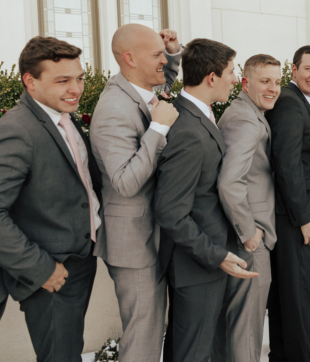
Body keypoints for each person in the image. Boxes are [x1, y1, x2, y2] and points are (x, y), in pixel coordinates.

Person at [153, 38, 258, 362]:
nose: (233, 79)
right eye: (229, 72)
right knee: (193, 353)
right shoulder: (187, 129)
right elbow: (170, 211)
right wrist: (216, 256)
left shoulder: (197, 115)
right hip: (195, 265)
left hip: (206, 259)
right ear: (211, 77)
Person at [0, 36, 102, 361]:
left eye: (80, 78)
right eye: (63, 81)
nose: (76, 88)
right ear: (30, 81)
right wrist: (41, 269)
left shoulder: (64, 118)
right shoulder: (17, 128)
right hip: (51, 271)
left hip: (79, 260)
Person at [90, 24, 181, 362]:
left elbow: (161, 80)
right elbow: (125, 182)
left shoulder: (139, 88)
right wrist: (158, 128)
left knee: (151, 328)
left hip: (152, 234)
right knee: (143, 335)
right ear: (129, 58)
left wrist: (171, 55)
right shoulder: (113, 109)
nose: (163, 61)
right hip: (132, 241)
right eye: (156, 55)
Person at [265, 45, 310, 362]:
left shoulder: (301, 101)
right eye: (309, 69)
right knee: (297, 297)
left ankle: (283, 356)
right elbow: (287, 164)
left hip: (295, 213)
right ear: (294, 70)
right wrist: (305, 218)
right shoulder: (291, 103)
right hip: (296, 217)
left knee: (288, 296)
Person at [214, 54, 282, 362]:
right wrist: (249, 232)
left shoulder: (249, 112)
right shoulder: (244, 119)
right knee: (247, 325)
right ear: (245, 82)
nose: (273, 89)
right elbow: (230, 181)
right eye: (265, 81)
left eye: (277, 82)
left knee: (242, 323)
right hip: (250, 238)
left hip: (247, 234)